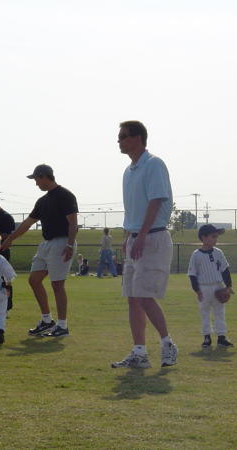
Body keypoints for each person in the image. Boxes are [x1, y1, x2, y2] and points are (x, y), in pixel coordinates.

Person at [111, 120, 178, 369]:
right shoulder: (129, 171)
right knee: (132, 297)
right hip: (135, 237)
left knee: (145, 296)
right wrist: (129, 235)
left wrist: (141, 235)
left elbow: (156, 202)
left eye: (123, 136)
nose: (119, 141)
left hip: (153, 238)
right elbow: (134, 209)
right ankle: (139, 353)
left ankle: (167, 344)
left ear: (138, 138)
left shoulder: (154, 164)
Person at [2, 164, 78, 337]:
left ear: (44, 176)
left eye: (36, 179)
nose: (36, 183)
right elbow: (27, 223)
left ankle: (62, 325)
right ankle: (46, 320)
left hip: (62, 242)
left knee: (57, 284)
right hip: (46, 244)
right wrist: (10, 238)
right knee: (34, 280)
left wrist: (70, 244)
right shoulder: (42, 201)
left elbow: (73, 222)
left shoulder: (65, 195)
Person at [188, 224, 234, 348]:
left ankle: (221, 337)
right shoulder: (196, 254)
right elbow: (192, 274)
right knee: (205, 312)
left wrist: (228, 286)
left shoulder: (219, 252)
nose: (215, 239)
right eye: (213, 236)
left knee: (219, 312)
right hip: (204, 287)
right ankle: (207, 337)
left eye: (216, 237)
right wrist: (197, 290)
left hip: (218, 286)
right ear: (203, 237)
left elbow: (225, 270)